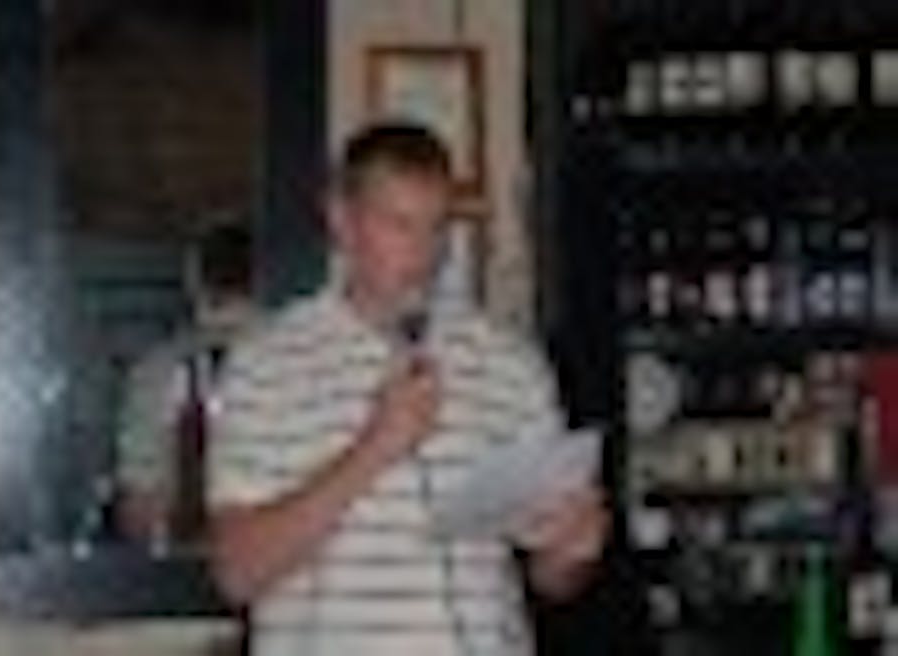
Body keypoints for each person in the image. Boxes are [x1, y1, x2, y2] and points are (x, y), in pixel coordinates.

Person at [207, 123, 608, 655]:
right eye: (399, 224)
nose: (425, 254)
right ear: (340, 219)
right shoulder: (265, 362)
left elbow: (551, 580)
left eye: (438, 227)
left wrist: (572, 551)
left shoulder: (509, 361)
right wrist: (374, 449)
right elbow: (236, 573)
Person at [116, 223, 256, 542]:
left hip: (187, 563)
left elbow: (138, 513)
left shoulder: (156, 371)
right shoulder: (299, 360)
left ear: (194, 282)